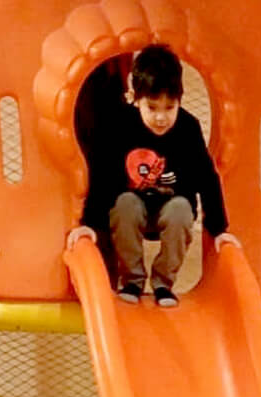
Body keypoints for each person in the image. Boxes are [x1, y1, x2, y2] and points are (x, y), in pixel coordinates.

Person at [67, 46, 238, 306]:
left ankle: (163, 283)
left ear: (180, 100)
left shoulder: (188, 128)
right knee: (125, 203)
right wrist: (88, 223)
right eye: (152, 106)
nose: (161, 117)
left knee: (181, 209)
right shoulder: (121, 125)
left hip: (171, 208)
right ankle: (133, 280)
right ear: (136, 99)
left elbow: (207, 178)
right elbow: (103, 175)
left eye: (170, 107)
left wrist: (219, 229)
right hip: (133, 208)